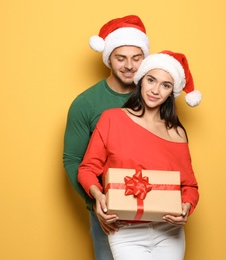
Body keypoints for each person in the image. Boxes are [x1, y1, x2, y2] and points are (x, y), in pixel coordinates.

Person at [77, 50, 202, 260]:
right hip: (125, 228)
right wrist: (98, 197)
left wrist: (186, 207)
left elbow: (190, 186)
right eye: (151, 80)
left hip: (169, 231)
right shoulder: (112, 119)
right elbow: (87, 168)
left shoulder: (177, 133)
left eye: (165, 85)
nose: (155, 90)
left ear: (172, 92)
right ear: (141, 81)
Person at [63, 15, 150, 260]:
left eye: (136, 58)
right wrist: (95, 204)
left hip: (155, 207)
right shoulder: (86, 103)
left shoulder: (155, 97)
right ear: (108, 58)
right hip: (108, 209)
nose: (129, 66)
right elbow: (72, 160)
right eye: (120, 58)